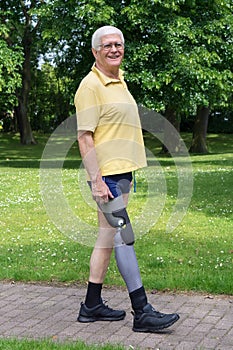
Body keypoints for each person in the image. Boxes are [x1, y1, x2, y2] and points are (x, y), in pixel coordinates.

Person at [74, 25, 179, 332]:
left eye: (118, 44)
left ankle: (91, 305)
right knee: (123, 237)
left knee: (107, 239)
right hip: (106, 176)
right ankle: (142, 311)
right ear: (95, 52)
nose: (114, 49)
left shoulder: (118, 80)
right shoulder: (90, 86)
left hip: (123, 172)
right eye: (107, 45)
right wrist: (96, 181)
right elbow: (84, 137)